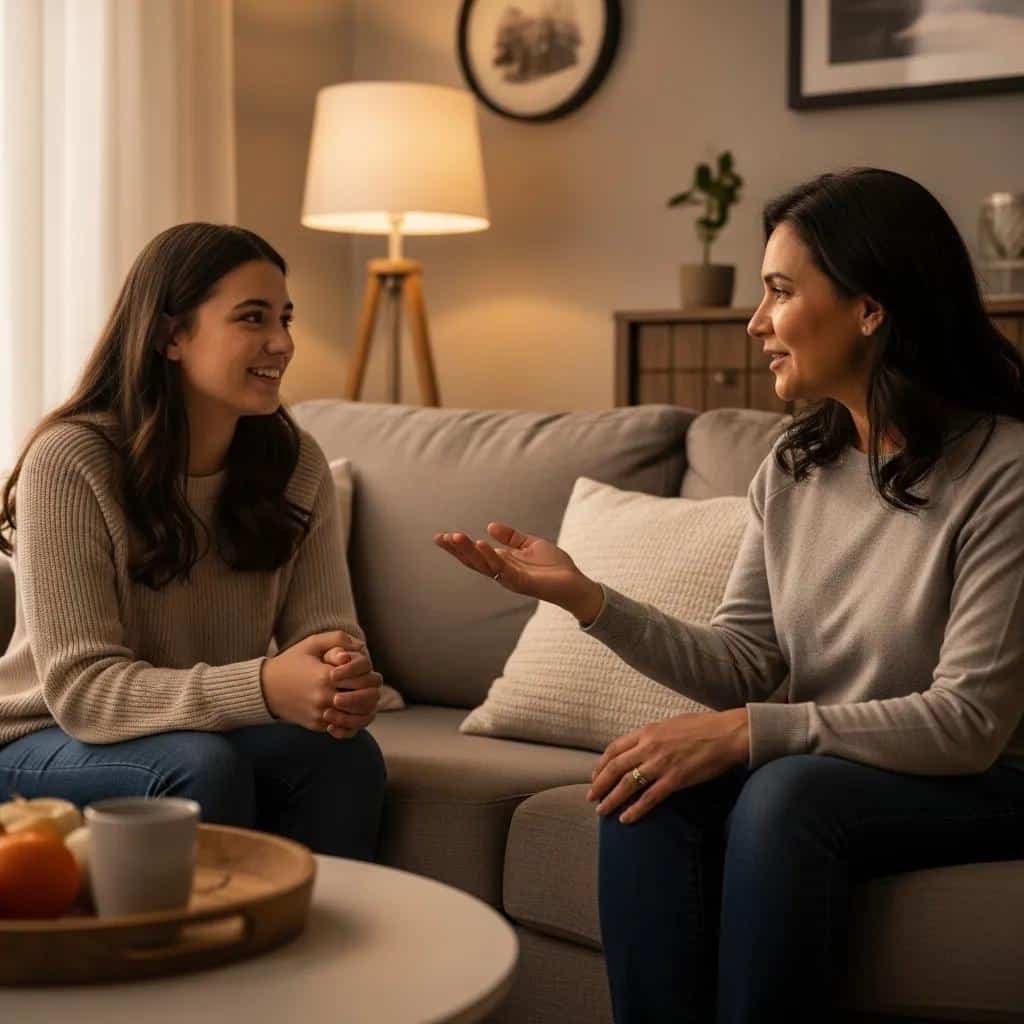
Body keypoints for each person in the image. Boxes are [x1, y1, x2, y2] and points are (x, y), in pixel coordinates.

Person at [434, 168, 1024, 1021]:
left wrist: (751, 734)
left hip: (985, 781)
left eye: (780, 291)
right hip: (833, 769)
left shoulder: (1005, 472)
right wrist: (589, 600)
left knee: (788, 792)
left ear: (870, 308)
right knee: (648, 782)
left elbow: (968, 723)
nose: (755, 323)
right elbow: (746, 663)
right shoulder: (795, 466)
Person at [0, 223, 386, 861]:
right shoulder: (70, 460)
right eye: (253, 317)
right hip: (41, 736)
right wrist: (263, 686)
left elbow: (327, 634)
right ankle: (218, 929)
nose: (283, 343)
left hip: (196, 731)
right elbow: (82, 692)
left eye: (285, 318)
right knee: (200, 767)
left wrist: (342, 682)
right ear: (171, 335)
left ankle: (313, 927)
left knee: (343, 757)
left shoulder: (296, 463)